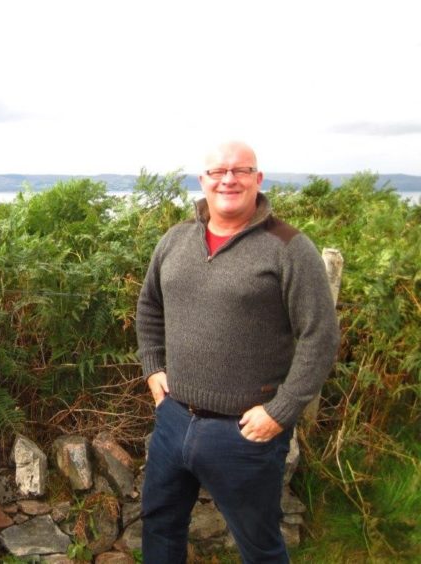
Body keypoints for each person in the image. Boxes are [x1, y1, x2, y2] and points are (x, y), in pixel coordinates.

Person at [136, 141, 339, 563]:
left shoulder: (289, 247)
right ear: (203, 180)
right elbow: (149, 306)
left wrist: (281, 411)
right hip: (174, 419)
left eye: (241, 170)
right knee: (159, 528)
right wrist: (154, 366)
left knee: (259, 547)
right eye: (218, 171)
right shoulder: (176, 240)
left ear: (258, 179)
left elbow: (319, 336)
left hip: (245, 433)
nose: (228, 179)